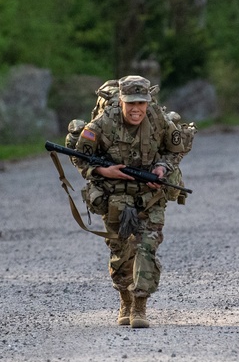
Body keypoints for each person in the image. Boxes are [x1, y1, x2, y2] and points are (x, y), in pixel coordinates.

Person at [73, 75, 192, 329]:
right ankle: (125, 300)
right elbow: (80, 157)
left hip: (151, 196)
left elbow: (176, 149)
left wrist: (161, 168)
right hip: (115, 196)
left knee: (146, 247)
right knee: (121, 253)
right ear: (123, 102)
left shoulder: (158, 119)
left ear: (148, 102)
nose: (137, 109)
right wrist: (104, 172)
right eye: (131, 104)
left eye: (142, 103)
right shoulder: (102, 124)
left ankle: (139, 306)